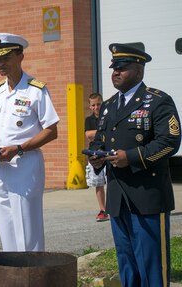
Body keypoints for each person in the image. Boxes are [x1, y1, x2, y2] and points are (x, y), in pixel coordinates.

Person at [88, 43, 181, 287]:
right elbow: (100, 140)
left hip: (147, 194)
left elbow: (169, 142)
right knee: (126, 262)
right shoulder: (108, 106)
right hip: (118, 196)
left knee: (152, 264)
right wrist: (95, 156)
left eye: (122, 67)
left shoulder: (158, 101)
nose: (115, 72)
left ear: (139, 71)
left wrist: (130, 157)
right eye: (113, 68)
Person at [0, 33, 59, 251]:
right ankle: (12, 273)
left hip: (24, 166)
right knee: (5, 224)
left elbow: (52, 131)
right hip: (0, 168)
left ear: (20, 56)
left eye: (5, 57)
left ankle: (32, 275)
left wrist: (19, 149)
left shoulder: (35, 90)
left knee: (26, 226)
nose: (0, 64)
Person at [85, 92, 109, 222]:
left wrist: (98, 133)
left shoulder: (109, 116)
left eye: (98, 104)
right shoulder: (89, 120)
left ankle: (115, 208)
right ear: (90, 106)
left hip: (109, 152)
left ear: (102, 103)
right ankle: (103, 210)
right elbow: (88, 135)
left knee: (112, 181)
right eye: (93, 105)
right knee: (99, 183)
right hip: (95, 154)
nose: (96, 107)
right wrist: (105, 131)